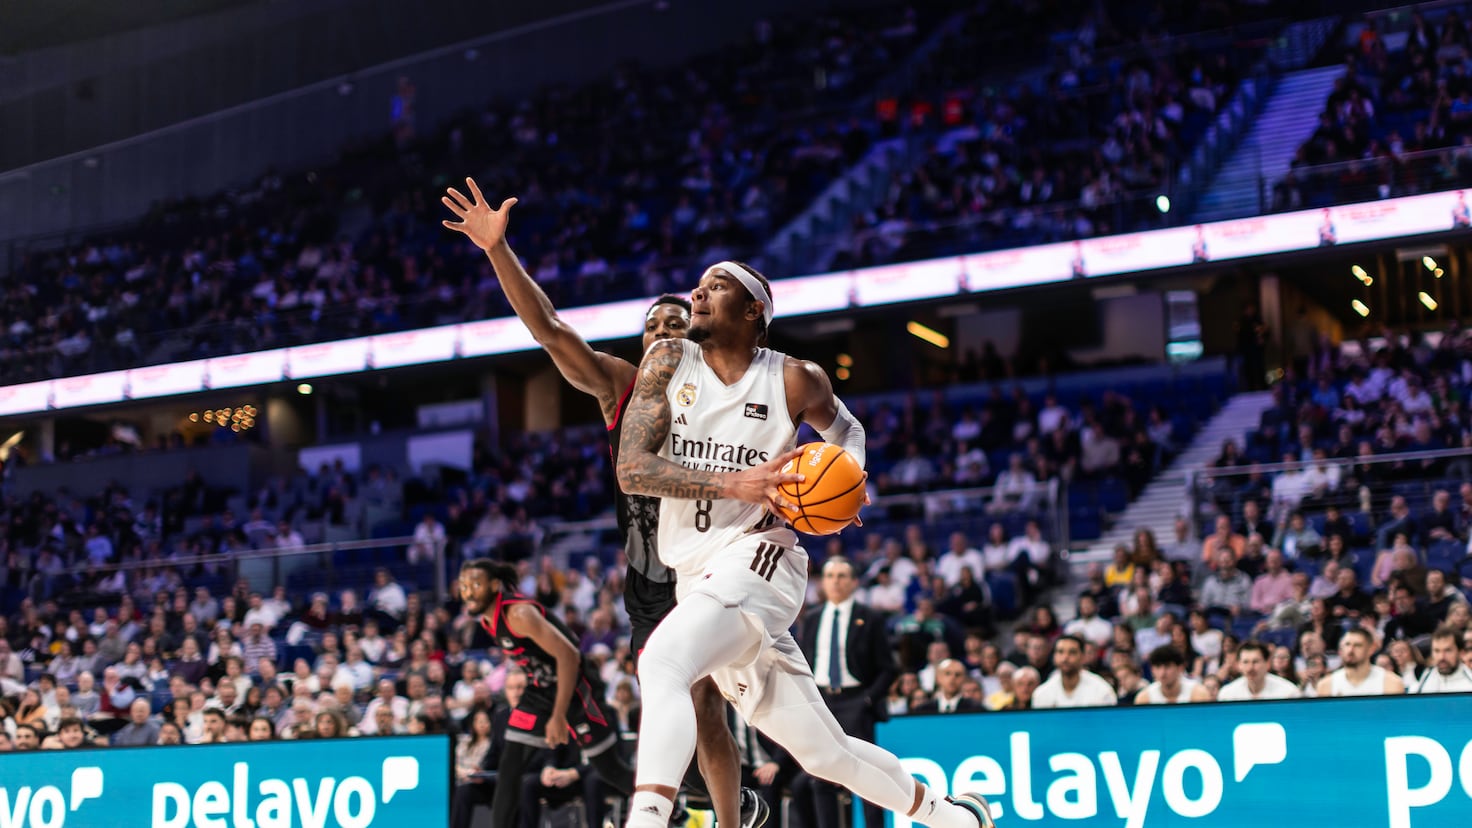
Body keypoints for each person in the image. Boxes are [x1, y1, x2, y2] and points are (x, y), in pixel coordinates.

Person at [612, 260, 995, 827]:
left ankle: (644, 820)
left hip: (760, 556)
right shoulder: (668, 360)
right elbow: (631, 470)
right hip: (694, 573)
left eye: (716, 287)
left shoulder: (796, 378)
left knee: (664, 662)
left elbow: (848, 433)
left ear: (753, 313)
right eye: (701, 284)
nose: (697, 292)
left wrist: (849, 486)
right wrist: (734, 482)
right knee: (824, 752)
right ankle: (953, 818)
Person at [442, 179, 757, 828]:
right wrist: (498, 251)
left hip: (706, 571)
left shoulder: (726, 395)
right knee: (678, 711)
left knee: (701, 706)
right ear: (642, 346)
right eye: (653, 325)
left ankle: (724, 816)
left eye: (677, 321)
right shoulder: (620, 386)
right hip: (646, 581)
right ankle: (720, 806)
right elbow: (550, 330)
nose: (666, 329)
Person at [457, 560, 637, 827]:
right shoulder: (487, 620)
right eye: (463, 586)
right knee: (510, 768)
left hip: (577, 686)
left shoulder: (518, 614)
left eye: (476, 585)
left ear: (495, 585)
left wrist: (558, 715)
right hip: (540, 688)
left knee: (609, 769)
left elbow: (569, 655)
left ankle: (668, 806)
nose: (468, 592)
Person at [795, 557, 898, 828]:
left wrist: (868, 699)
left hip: (856, 700)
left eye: (842, 576)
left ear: (854, 582)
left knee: (866, 775)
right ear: (823, 582)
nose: (836, 581)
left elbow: (888, 668)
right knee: (821, 775)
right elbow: (804, 662)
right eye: (830, 575)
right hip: (822, 701)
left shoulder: (870, 617)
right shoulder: (813, 617)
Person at [1030, 635, 1116, 709]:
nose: (1065, 658)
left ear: (1083, 657)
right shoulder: (1042, 693)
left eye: (1072, 652)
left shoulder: (1101, 690)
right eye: (1060, 652)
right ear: (1054, 656)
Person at [1316, 628, 1405, 697]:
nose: (1350, 650)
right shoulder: (1326, 685)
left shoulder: (1391, 682)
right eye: (1347, 644)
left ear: (1371, 649)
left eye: (1357, 645)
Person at [1217, 641, 1301, 701]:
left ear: (1267, 664)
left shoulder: (1288, 692)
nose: (1250, 668)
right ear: (1239, 665)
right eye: (1246, 662)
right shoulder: (1227, 695)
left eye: (1255, 662)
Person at [1136, 646, 1211, 704]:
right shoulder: (1144, 698)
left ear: (1180, 668)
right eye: (1158, 667)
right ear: (1152, 670)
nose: (1162, 673)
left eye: (1168, 666)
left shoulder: (1198, 693)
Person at [1410, 626, 1472, 693]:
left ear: (1461, 653)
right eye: (1437, 651)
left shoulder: (1469, 683)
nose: (1441, 657)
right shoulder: (1425, 679)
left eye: (1448, 650)